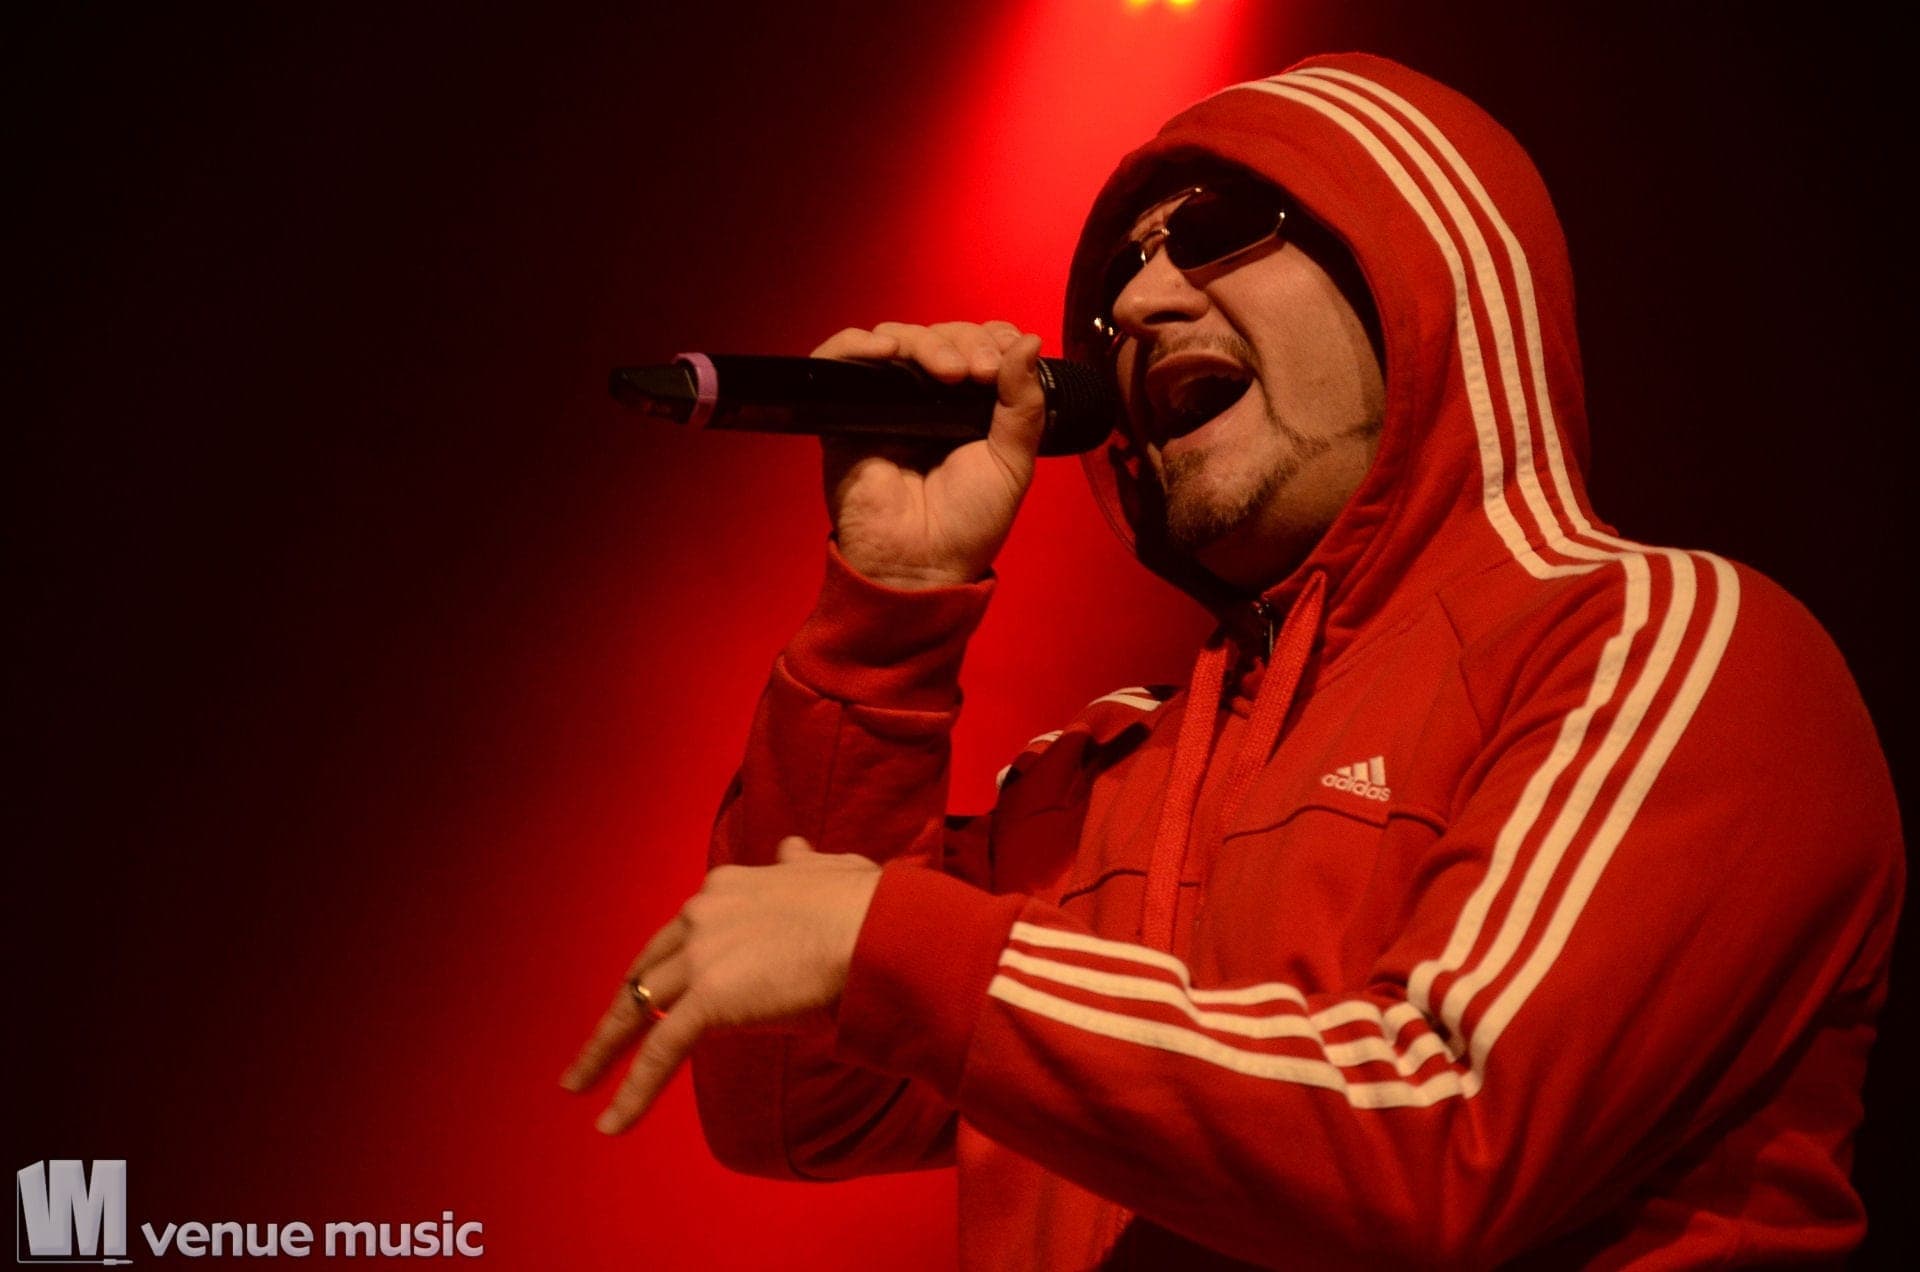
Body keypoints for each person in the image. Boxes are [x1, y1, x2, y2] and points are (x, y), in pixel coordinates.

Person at [562, 53, 1903, 1267]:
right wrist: (889, 613)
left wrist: (901, 946)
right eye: (1117, 279)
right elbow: (796, 1106)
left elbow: (1439, 1134)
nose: (1137, 301)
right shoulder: (1099, 775)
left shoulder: (1662, 642)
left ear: (1413, 271)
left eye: (1212, 231)